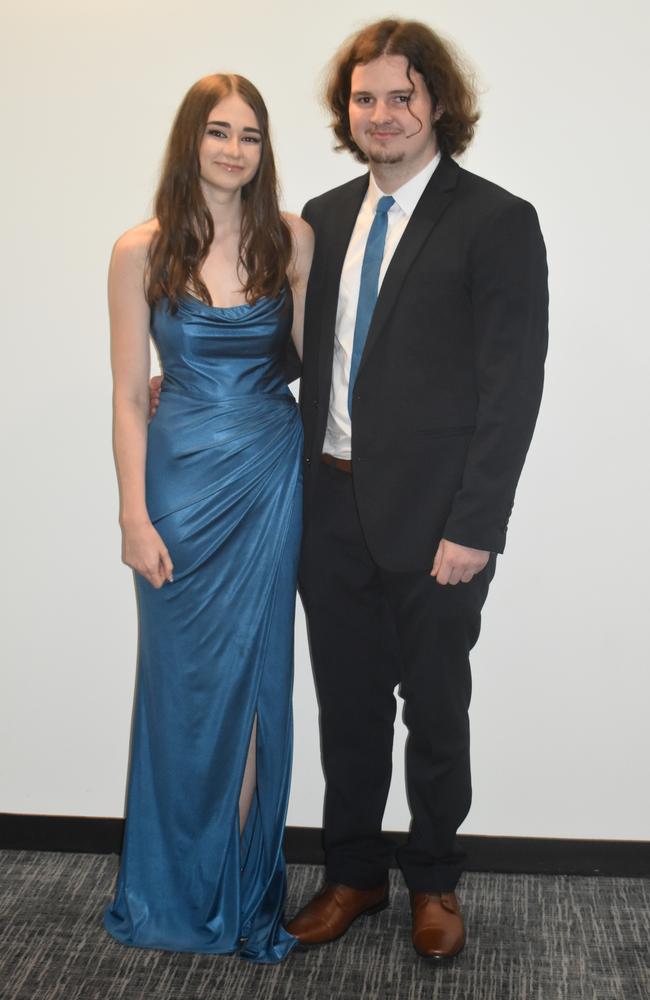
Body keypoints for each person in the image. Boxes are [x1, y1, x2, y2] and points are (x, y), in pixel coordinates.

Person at [286, 19, 548, 961]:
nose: (382, 114)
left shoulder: (496, 220)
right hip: (331, 506)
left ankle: (434, 881)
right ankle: (353, 873)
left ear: (437, 103)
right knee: (346, 706)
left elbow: (510, 389)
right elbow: (293, 355)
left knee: (435, 710)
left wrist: (476, 524)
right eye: (365, 98)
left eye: (402, 96)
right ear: (346, 110)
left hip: (441, 521)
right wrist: (187, 380)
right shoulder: (317, 216)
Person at [104, 72, 313, 964]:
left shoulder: (293, 240)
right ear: (191, 139)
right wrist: (133, 516)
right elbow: (124, 397)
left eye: (252, 136)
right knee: (184, 691)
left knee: (256, 687)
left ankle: (239, 885)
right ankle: (175, 888)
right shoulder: (138, 249)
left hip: (270, 478)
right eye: (220, 131)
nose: (235, 150)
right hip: (179, 492)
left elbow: (313, 360)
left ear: (265, 150)